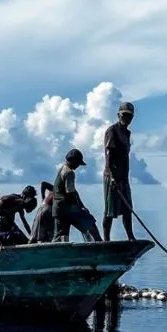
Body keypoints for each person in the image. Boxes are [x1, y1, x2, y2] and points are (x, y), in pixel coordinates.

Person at [52, 149, 102, 242]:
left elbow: (73, 191)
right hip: (66, 208)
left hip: (57, 209)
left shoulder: (61, 169)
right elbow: (70, 194)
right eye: (77, 163)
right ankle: (99, 242)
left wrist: (81, 205)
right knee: (89, 220)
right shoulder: (69, 173)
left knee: (60, 236)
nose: (78, 166)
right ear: (72, 161)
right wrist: (80, 208)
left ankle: (57, 251)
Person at [103, 102, 135, 241]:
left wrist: (124, 178)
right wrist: (111, 176)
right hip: (112, 176)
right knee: (110, 210)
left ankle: (130, 237)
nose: (127, 118)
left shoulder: (127, 133)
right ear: (119, 115)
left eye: (129, 116)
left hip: (123, 177)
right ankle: (106, 239)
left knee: (128, 208)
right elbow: (109, 153)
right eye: (124, 115)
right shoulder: (112, 130)